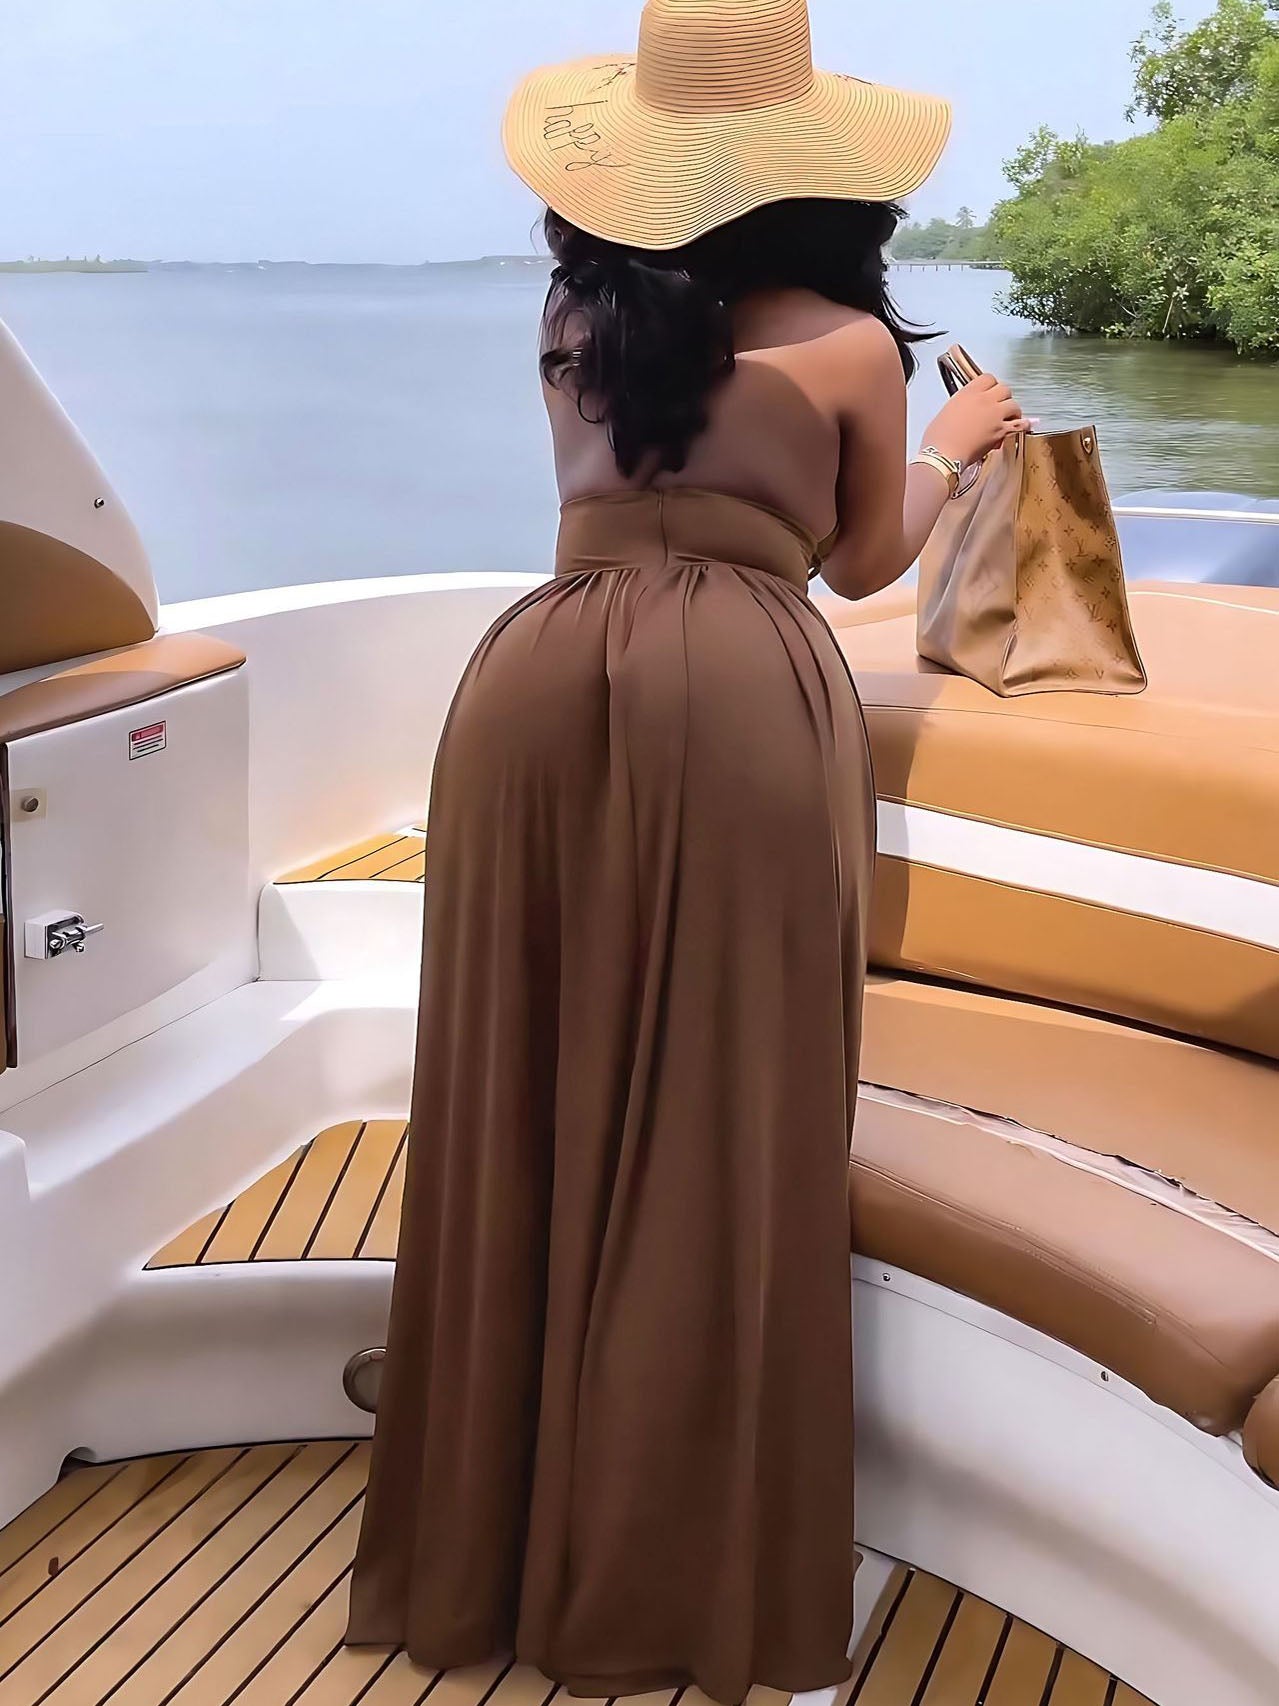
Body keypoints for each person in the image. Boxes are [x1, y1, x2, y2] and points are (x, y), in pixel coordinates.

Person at [345, 2, 1029, 1700]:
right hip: (735, 693)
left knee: (523, 1089)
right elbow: (858, 562)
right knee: (725, 1109)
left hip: (534, 677)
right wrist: (956, 454)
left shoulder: (574, 318)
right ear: (822, 178)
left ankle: (485, 1535)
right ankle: (664, 1567)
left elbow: (634, 491)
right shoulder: (852, 348)